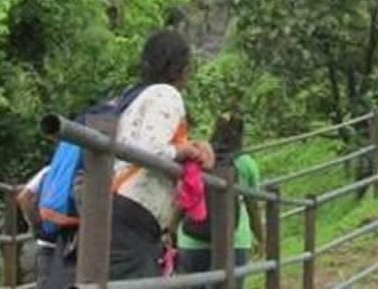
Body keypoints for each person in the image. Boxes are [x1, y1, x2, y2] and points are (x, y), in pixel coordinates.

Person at [107, 30, 215, 280]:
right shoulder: (166, 94)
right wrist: (185, 150)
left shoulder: (135, 97)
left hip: (122, 204)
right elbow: (149, 150)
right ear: (181, 67)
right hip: (137, 206)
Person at [176, 113, 264, 288]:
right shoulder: (245, 163)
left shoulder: (199, 156)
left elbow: (183, 196)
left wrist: (169, 230)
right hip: (235, 240)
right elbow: (253, 206)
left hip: (191, 240)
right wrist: (261, 238)